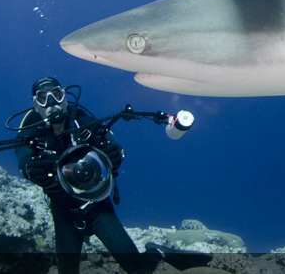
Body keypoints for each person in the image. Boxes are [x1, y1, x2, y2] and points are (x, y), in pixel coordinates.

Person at [15, 77, 208, 274]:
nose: (51, 104)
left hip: (97, 204)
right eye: (42, 98)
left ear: (64, 96)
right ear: (35, 104)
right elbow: (21, 156)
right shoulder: (29, 127)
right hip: (62, 209)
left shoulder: (80, 117)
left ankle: (158, 252)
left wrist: (113, 154)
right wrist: (29, 168)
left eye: (56, 95)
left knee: (138, 270)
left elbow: (113, 144)